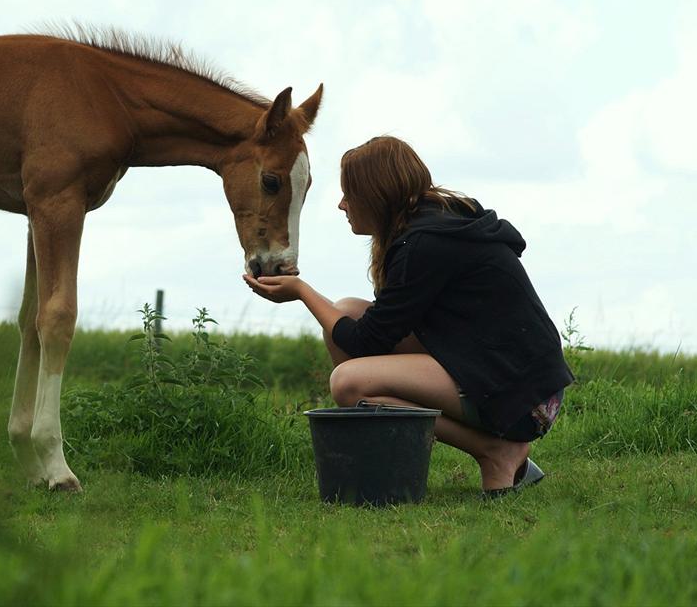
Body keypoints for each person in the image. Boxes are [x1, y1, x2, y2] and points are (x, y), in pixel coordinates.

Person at [244, 135, 573, 498]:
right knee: (346, 311)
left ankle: (496, 453)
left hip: (524, 398)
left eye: (349, 194)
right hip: (505, 370)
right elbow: (377, 328)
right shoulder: (433, 227)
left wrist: (302, 292)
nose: (341, 205)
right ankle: (382, 466)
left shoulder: (424, 243)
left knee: (348, 384)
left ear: (376, 194)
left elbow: (364, 343)